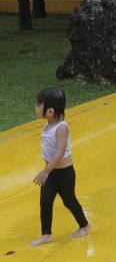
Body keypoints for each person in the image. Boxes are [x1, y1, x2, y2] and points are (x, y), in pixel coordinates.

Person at [31, 87, 91, 247]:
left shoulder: (61, 127)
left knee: (69, 200)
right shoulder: (48, 125)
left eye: (39, 106)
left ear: (50, 111)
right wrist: (47, 171)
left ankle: (84, 225)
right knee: (45, 201)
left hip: (64, 173)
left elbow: (59, 153)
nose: (36, 108)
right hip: (51, 173)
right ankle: (46, 234)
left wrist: (45, 171)